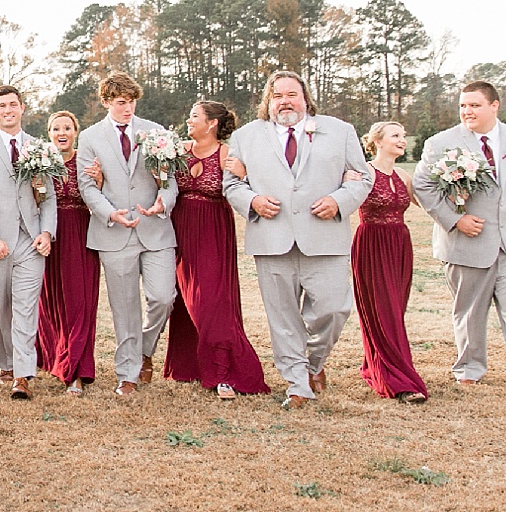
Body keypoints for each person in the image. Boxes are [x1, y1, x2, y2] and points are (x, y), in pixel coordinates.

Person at [222, 71, 374, 409]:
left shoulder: (340, 131)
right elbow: (231, 184)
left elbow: (364, 176)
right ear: (268, 100)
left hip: (324, 236)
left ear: (305, 98)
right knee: (283, 318)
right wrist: (253, 202)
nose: (285, 101)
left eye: (292, 94)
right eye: (278, 95)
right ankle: (297, 385)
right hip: (271, 239)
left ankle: (313, 363)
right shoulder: (247, 136)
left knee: (334, 309)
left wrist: (339, 201)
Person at [413, 81, 506, 401]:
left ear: (494, 106)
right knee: (469, 313)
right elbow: (422, 187)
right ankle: (469, 368)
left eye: (475, 105)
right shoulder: (440, 142)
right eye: (463, 106)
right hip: (467, 244)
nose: (467, 111)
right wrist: (455, 220)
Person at [75, 74, 179, 398]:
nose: (128, 108)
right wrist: (110, 213)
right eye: (121, 102)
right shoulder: (91, 137)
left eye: (132, 101)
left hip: (156, 228)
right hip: (113, 232)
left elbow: (170, 180)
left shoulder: (156, 132)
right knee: (125, 308)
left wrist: (165, 201)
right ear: (107, 102)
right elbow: (87, 187)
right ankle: (128, 374)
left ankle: (144, 350)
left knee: (164, 297)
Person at [161, 102, 270, 400]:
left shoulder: (226, 154)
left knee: (211, 301)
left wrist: (246, 172)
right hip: (179, 230)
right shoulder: (178, 150)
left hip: (212, 233)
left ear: (211, 124)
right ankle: (189, 365)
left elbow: (252, 187)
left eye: (194, 116)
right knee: (183, 299)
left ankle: (224, 372)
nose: (188, 120)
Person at [0, 85, 58, 400]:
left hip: (31, 241)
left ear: (22, 108)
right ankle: (5, 362)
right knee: (2, 304)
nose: (8, 110)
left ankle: (22, 374)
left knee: (25, 307)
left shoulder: (39, 147)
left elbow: (48, 198)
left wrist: (46, 232)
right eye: (1, 105)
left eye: (13, 105)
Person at [352, 121, 430, 403]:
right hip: (371, 244)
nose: (402, 140)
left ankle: (376, 361)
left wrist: (459, 196)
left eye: (404, 136)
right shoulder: (364, 172)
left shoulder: (403, 176)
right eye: (396, 135)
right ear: (378, 141)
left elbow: (429, 206)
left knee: (394, 310)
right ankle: (398, 380)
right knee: (382, 310)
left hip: (400, 245)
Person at [35, 111, 99, 395]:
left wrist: (100, 180)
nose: (62, 132)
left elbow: (100, 197)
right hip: (51, 235)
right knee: (52, 302)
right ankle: (57, 359)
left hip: (82, 235)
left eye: (67, 128)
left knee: (80, 301)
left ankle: (77, 368)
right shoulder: (40, 163)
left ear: (76, 131)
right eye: (56, 128)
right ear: (49, 133)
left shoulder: (86, 161)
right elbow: (35, 201)